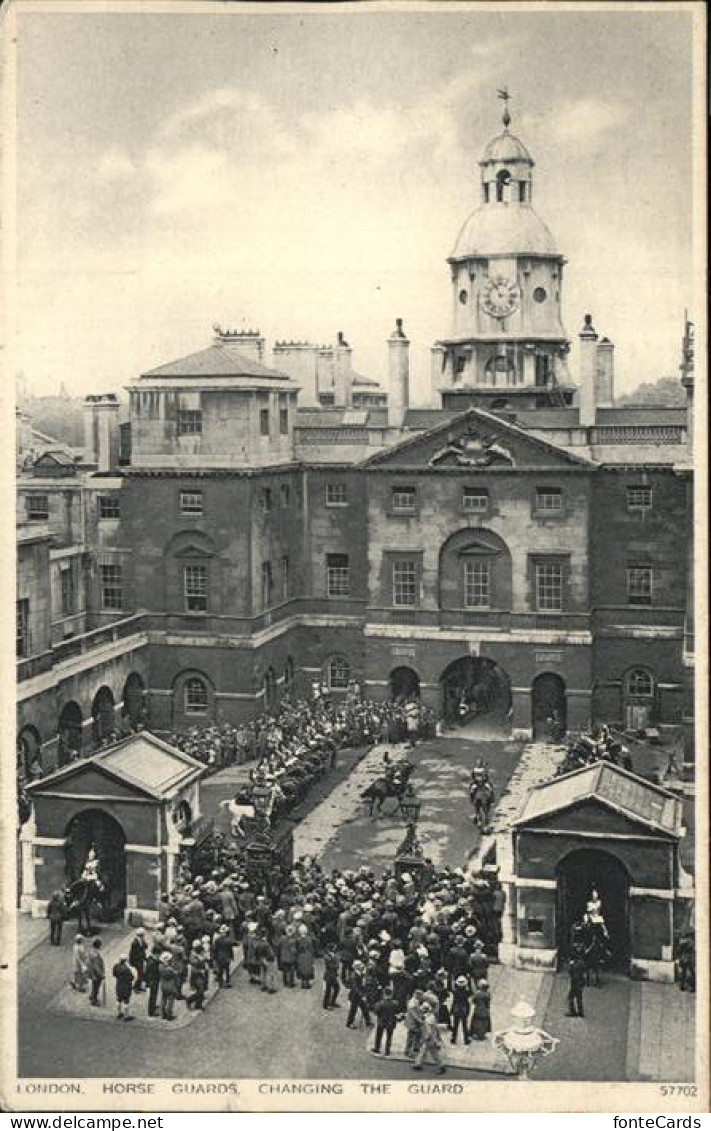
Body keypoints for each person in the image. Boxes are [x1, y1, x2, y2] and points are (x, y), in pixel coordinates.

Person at [412, 1002, 446, 1074]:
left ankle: (441, 1066)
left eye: (422, 1010)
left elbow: (429, 1031)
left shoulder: (427, 1020)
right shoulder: (431, 1016)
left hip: (430, 1038)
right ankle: (418, 1064)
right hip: (432, 1037)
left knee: (434, 1053)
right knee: (423, 1050)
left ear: (425, 1010)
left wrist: (427, 1038)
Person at [372, 986, 398, 1057]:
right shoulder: (395, 1003)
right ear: (391, 994)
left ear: (384, 994)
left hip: (382, 1021)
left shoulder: (380, 1003)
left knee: (378, 1035)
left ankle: (377, 1048)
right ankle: (387, 1050)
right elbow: (397, 1011)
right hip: (391, 1022)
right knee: (389, 1037)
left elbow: (376, 1012)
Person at [346, 960, 372, 1029]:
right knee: (353, 1010)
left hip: (359, 995)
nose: (362, 966)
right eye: (360, 965)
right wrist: (362, 995)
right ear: (357, 967)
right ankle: (349, 1023)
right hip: (355, 996)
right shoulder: (354, 975)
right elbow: (355, 988)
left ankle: (368, 1021)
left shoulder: (359, 973)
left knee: (364, 1008)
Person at [186, 943, 209, 1010]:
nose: (203, 953)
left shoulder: (199, 956)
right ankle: (189, 1000)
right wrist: (201, 969)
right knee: (201, 990)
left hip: (201, 975)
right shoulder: (193, 957)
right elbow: (193, 967)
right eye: (202, 951)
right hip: (196, 976)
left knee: (202, 990)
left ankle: (198, 1005)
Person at [112, 954, 134, 1021]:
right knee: (126, 1000)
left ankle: (119, 1013)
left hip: (118, 984)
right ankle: (126, 1016)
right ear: (125, 961)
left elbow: (114, 974)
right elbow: (131, 978)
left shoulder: (116, 966)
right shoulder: (127, 969)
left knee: (119, 999)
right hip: (126, 986)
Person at [159, 952, 180, 1021]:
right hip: (171, 986)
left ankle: (163, 1014)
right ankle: (169, 1015)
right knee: (170, 1001)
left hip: (163, 985)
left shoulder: (160, 967)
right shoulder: (170, 969)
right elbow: (176, 974)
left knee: (163, 1000)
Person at [450, 975, 470, 1045]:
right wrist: (468, 1011)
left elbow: (454, 1001)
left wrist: (451, 1010)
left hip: (457, 1009)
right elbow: (467, 1002)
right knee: (464, 1025)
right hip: (464, 1009)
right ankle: (466, 1039)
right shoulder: (466, 992)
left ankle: (453, 1039)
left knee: (455, 1025)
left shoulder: (455, 992)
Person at [567, 950, 586, 1018]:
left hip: (575, 982)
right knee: (579, 998)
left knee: (570, 997)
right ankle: (580, 1012)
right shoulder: (581, 962)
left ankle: (573, 1012)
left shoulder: (573, 964)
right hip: (580, 982)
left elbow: (570, 972)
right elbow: (584, 970)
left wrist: (570, 965)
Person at [295, 925, 315, 990]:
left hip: (300, 956)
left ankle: (302, 983)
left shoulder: (298, 940)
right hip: (308, 955)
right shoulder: (309, 939)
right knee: (308, 969)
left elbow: (297, 949)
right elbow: (311, 949)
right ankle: (307, 983)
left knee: (301, 969)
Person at [87, 938, 105, 1007]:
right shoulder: (95, 955)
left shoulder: (91, 951)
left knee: (94, 985)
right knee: (96, 987)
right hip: (96, 974)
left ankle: (92, 995)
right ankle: (94, 1000)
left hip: (92, 972)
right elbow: (96, 967)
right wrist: (101, 974)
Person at [278, 924, 297, 988]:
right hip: (291, 958)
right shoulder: (293, 940)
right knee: (291, 971)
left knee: (285, 970)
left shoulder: (282, 938)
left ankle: (285, 982)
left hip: (283, 957)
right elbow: (293, 950)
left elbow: (279, 945)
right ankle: (291, 983)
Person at [129, 927, 148, 991]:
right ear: (141, 935)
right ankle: (136, 987)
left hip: (141, 960)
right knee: (141, 974)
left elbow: (146, 946)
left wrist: (143, 940)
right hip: (137, 961)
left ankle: (138, 986)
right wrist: (132, 962)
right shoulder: (135, 943)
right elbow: (132, 953)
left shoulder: (141, 940)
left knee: (141, 974)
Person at [322, 944, 340, 1010]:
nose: (335, 949)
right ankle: (325, 1005)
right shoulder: (327, 956)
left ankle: (332, 1002)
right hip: (329, 975)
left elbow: (336, 965)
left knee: (337, 988)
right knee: (328, 991)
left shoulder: (333, 955)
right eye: (334, 948)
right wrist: (334, 958)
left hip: (333, 974)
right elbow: (332, 964)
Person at [145, 945, 161, 1017]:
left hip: (153, 981)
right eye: (159, 954)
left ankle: (153, 1006)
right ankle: (151, 1012)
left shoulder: (150, 958)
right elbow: (151, 974)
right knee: (152, 996)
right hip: (152, 982)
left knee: (154, 995)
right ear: (156, 953)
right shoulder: (152, 962)